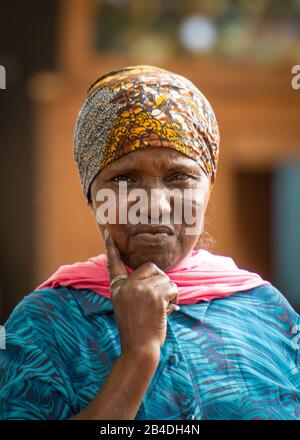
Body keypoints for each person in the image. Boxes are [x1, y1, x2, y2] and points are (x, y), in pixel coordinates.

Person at [0, 65, 299, 420]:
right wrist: (138, 357)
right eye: (124, 178)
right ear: (92, 196)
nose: (154, 205)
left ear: (208, 190)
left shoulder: (266, 312)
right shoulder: (45, 324)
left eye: (179, 177)